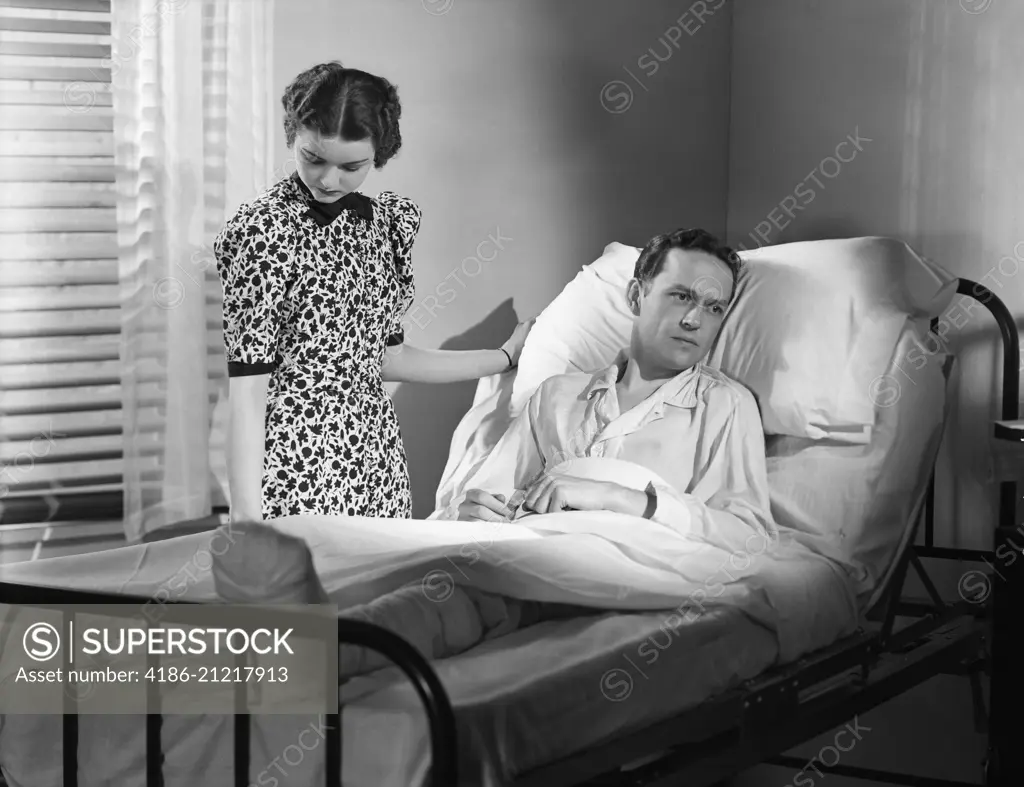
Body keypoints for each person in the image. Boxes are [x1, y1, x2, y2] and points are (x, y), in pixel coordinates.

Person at [215, 61, 532, 522]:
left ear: (378, 155)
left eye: (351, 166)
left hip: (375, 461)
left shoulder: (384, 226)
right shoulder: (261, 232)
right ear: (293, 135)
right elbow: (247, 392)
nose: (327, 180)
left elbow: (388, 359)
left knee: (384, 594)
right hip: (293, 466)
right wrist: (246, 522)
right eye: (313, 157)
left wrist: (502, 358)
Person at [443, 227, 776, 549]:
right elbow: (487, 494)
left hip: (635, 582)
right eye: (681, 296)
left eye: (714, 308)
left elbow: (749, 535)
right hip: (526, 563)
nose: (694, 320)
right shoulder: (555, 396)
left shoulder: (726, 406)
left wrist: (616, 497)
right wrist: (474, 509)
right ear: (635, 297)